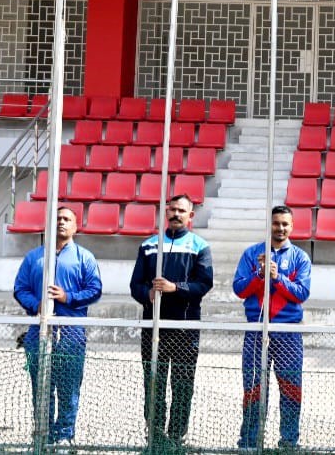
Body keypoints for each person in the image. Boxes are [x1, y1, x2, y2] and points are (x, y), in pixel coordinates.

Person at [129, 194, 214, 453]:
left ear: (191, 216)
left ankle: (176, 438)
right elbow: (135, 285)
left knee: (182, 384)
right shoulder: (149, 245)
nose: (176, 214)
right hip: (154, 326)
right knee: (153, 382)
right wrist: (148, 294)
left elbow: (204, 284)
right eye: (172, 209)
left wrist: (175, 288)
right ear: (166, 213)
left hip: (185, 328)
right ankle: (155, 436)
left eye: (182, 210)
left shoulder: (199, 246)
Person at [13, 205, 103, 446]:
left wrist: (67, 297)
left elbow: (95, 290)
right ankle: (43, 434)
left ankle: (64, 436)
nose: (61, 222)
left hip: (71, 331)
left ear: (75, 226)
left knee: (68, 386)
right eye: (57, 219)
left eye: (66, 219)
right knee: (41, 386)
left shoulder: (84, 257)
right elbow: (20, 288)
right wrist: (36, 304)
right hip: (38, 332)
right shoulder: (34, 257)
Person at [233, 205, 312, 450]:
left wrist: (278, 278)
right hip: (257, 330)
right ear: (270, 224)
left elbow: (302, 294)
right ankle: (249, 442)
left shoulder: (300, 257)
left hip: (288, 332)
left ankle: (288, 443)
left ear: (292, 226)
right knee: (254, 387)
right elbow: (239, 289)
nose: (280, 228)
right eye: (276, 223)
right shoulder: (252, 254)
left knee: (291, 388)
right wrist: (260, 275)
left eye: (285, 224)